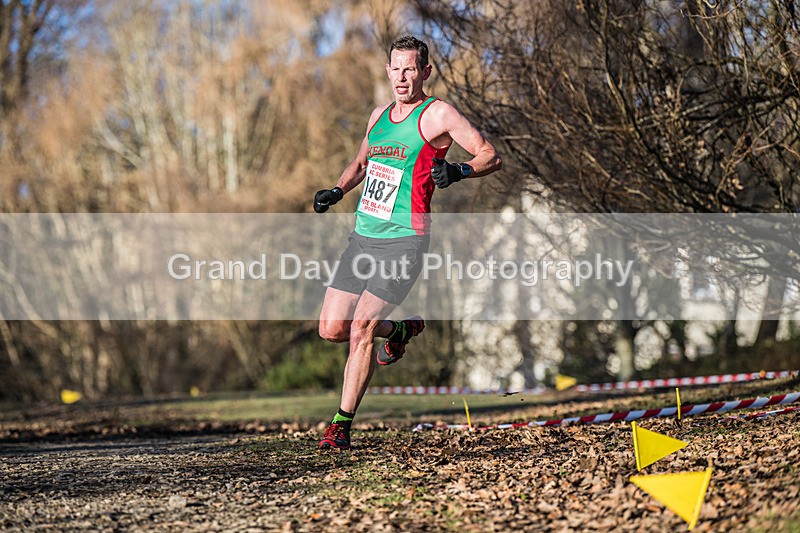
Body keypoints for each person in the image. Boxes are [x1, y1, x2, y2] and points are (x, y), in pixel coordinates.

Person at [313, 35, 502, 450]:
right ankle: (399, 329)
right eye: (395, 68)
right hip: (363, 238)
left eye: (410, 69)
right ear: (387, 71)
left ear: (425, 72)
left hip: (405, 241)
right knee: (331, 329)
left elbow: (489, 154)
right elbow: (362, 163)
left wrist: (460, 172)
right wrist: (338, 189)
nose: (402, 77)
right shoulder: (378, 116)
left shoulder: (438, 115)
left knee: (361, 328)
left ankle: (340, 426)